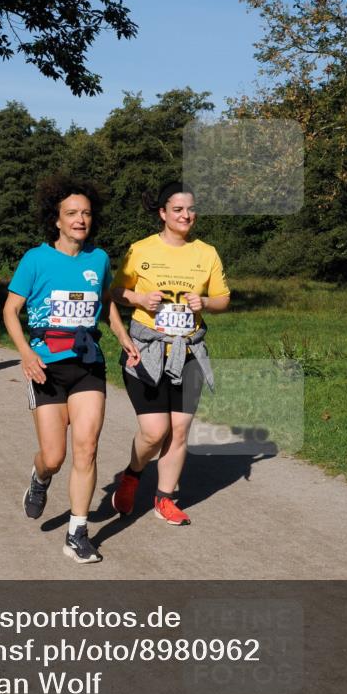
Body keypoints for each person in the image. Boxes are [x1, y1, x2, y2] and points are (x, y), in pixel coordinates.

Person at [3, 176, 139, 564]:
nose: (80, 220)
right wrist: (26, 354)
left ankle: (77, 532)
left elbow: (106, 301)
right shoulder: (36, 259)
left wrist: (122, 335)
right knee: (54, 456)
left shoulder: (98, 259)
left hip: (86, 364)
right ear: (57, 220)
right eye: (72, 214)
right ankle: (40, 478)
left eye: (86, 213)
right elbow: (10, 311)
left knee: (88, 447)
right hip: (45, 366)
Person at [110, 182, 231, 525]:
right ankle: (133, 475)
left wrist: (205, 302)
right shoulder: (141, 250)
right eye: (178, 209)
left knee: (179, 430)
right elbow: (116, 291)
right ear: (162, 213)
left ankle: (165, 498)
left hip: (188, 351)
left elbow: (223, 299)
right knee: (154, 431)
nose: (186, 215)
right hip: (147, 352)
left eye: (191, 209)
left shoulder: (206, 253)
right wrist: (138, 299)